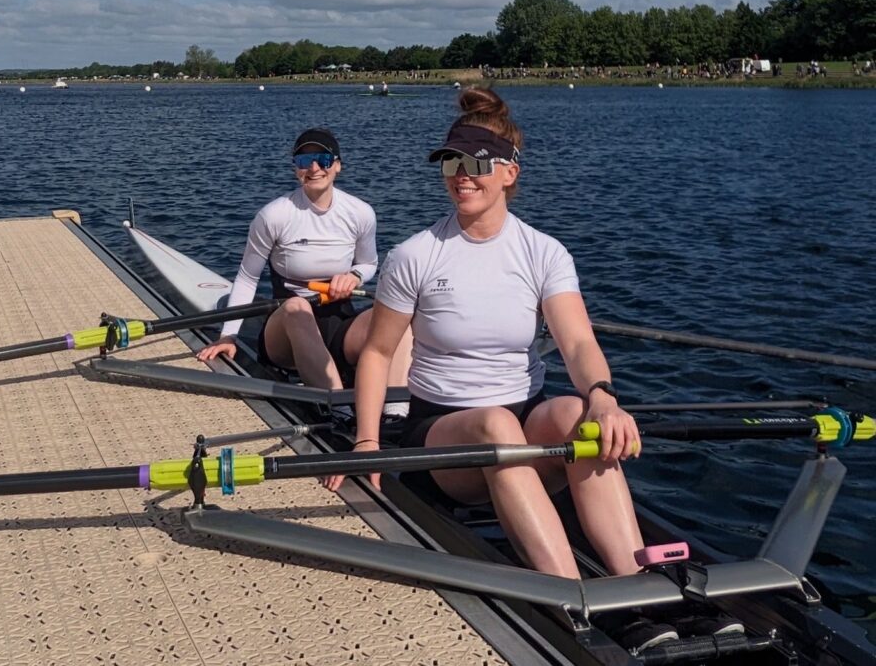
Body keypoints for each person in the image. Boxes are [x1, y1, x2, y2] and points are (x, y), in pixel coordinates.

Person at [333, 88, 686, 650]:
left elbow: (576, 340)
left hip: (523, 425)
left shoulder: (544, 252)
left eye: (474, 163)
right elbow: (376, 354)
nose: (460, 175)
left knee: (576, 412)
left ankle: (636, 588)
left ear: (508, 173)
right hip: (444, 440)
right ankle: (579, 603)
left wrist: (603, 396)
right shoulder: (415, 255)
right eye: (450, 162)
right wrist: (368, 440)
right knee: (498, 422)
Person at [197, 127, 412, 419]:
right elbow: (248, 278)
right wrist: (228, 336)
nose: (313, 168)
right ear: (295, 168)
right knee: (296, 307)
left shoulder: (361, 213)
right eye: (303, 161)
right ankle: (342, 414)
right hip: (285, 331)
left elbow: (368, 263)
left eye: (322, 160)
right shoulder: (274, 215)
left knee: (394, 316)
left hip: (338, 320)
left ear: (337, 165)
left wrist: (355, 277)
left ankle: (396, 413)